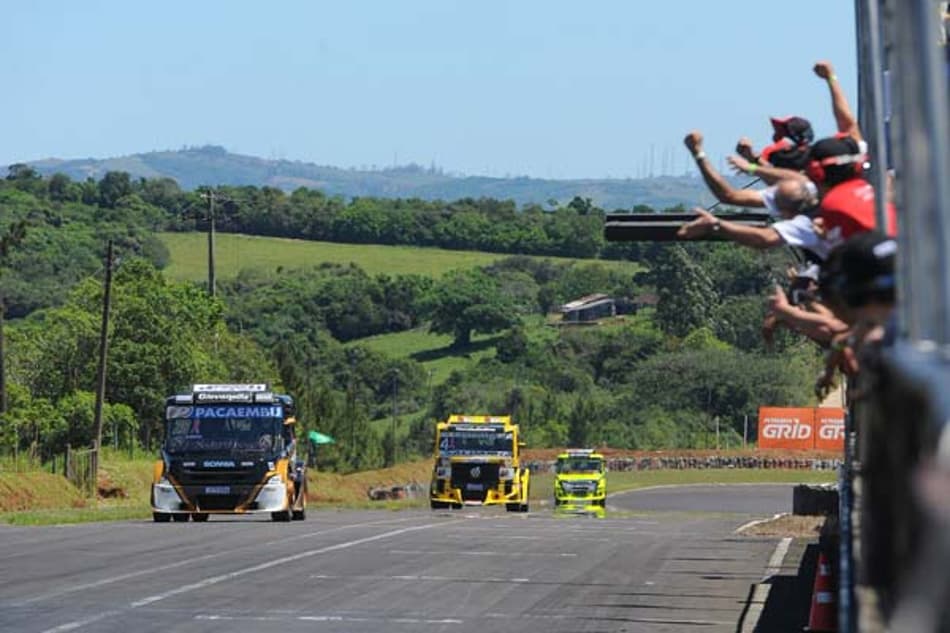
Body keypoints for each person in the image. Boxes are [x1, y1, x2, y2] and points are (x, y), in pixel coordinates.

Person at [677, 178, 833, 261]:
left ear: (785, 212)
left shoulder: (806, 223)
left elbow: (764, 239)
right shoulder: (824, 192)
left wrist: (716, 225)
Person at [807, 135, 898, 246]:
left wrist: (828, 237)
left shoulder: (832, 202)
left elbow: (846, 256)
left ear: (816, 173)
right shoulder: (870, 188)